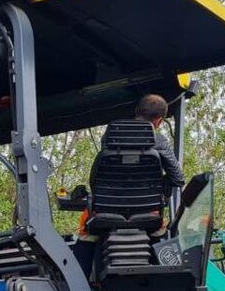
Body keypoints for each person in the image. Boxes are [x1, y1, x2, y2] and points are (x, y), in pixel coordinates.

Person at [75, 93, 184, 248]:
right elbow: (178, 178)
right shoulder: (159, 142)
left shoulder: (110, 137)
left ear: (136, 110)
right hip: (148, 213)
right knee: (163, 236)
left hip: (106, 210)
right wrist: (157, 184)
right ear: (159, 121)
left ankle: (77, 272)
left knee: (86, 234)